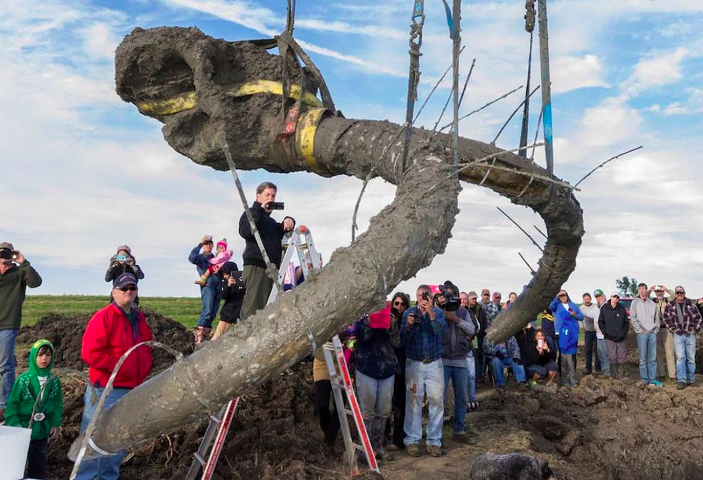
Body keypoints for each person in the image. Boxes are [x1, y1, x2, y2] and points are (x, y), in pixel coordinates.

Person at [76, 273, 153, 480]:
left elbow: (147, 345)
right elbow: (91, 352)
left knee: (118, 441)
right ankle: (86, 478)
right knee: (94, 440)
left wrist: (143, 366)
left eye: (132, 288)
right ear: (113, 292)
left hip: (132, 389)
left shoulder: (139, 318)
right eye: (123, 288)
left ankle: (108, 477)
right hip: (106, 390)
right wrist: (120, 367)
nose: (129, 291)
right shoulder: (104, 317)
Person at [5, 339, 62, 480]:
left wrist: (55, 423)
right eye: (40, 355)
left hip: (42, 432)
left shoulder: (54, 381)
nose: (44, 358)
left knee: (38, 464)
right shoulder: (24, 380)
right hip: (23, 432)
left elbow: (57, 404)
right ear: (33, 356)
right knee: (17, 466)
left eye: (48, 355)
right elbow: (12, 404)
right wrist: (15, 425)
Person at [401, 285, 446, 457]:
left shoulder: (437, 312)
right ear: (416, 296)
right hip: (415, 363)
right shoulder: (409, 314)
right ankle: (412, 440)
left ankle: (434, 441)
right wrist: (409, 326)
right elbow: (403, 339)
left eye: (425, 295)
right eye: (420, 295)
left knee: (436, 401)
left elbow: (440, 331)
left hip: (434, 363)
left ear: (431, 296)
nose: (422, 298)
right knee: (413, 402)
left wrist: (431, 313)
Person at [239, 182, 295, 321]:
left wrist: (289, 221)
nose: (271, 198)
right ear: (258, 197)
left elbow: (278, 231)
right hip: (257, 267)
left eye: (273, 196)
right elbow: (245, 231)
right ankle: (246, 339)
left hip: (271, 269)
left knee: (266, 308)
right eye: (267, 195)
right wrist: (260, 210)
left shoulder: (269, 222)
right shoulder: (250, 213)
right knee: (254, 310)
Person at [0, 242, 42, 414]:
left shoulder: (19, 272)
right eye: (2, 254)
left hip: (9, 324)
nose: (4, 257)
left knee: (5, 365)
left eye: (8, 254)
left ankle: (6, 404)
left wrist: (24, 262)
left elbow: (36, 282)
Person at [354, 307, 399, 462]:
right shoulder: (362, 316)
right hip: (367, 367)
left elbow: (397, 343)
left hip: (387, 368)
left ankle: (378, 448)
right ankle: (364, 451)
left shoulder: (390, 316)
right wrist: (370, 323)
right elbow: (363, 339)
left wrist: (392, 327)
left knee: (384, 411)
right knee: (367, 412)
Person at [439, 282, 477, 445]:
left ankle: (459, 430)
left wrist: (455, 319)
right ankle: (436, 433)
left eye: (452, 295)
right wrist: (440, 311)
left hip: (461, 359)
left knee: (462, 397)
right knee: (439, 398)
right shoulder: (438, 311)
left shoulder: (463, 312)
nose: (450, 298)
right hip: (443, 359)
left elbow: (472, 330)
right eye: (447, 295)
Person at [663, 286, 703, 390]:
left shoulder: (691, 305)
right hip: (678, 335)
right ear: (675, 294)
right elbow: (666, 319)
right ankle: (681, 380)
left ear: (684, 293)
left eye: (681, 293)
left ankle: (691, 379)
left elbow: (699, 318)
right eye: (678, 293)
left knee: (691, 358)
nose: (679, 295)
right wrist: (674, 329)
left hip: (690, 335)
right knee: (680, 358)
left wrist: (694, 330)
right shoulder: (670, 305)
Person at [386, 292, 410, 452]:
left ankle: (398, 438)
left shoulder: (408, 322)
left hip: (402, 367)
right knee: (386, 404)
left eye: (402, 304)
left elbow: (400, 344)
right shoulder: (387, 320)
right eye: (397, 303)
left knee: (399, 404)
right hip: (387, 366)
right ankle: (385, 434)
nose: (399, 307)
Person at [189, 236, 224, 344]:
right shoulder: (200, 257)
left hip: (218, 286)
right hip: (208, 285)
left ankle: (205, 336)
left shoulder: (215, 258)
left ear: (212, 245)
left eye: (210, 244)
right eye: (206, 244)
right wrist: (199, 244)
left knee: (213, 312)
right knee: (207, 310)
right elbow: (191, 258)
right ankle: (198, 336)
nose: (208, 246)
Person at [630, 283, 663, 387]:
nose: (642, 291)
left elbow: (657, 318)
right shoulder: (635, 302)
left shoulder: (652, 303)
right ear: (638, 290)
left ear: (646, 290)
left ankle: (652, 380)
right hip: (642, 334)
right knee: (643, 358)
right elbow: (632, 317)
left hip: (652, 333)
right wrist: (638, 330)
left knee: (652, 358)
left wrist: (656, 329)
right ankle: (645, 380)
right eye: (640, 289)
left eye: (644, 289)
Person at [549, 290, 583, 382]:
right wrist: (556, 297)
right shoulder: (556, 305)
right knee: (562, 355)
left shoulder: (573, 305)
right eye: (561, 296)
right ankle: (563, 376)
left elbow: (581, 317)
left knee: (572, 354)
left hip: (572, 332)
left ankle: (572, 376)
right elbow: (551, 307)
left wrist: (574, 315)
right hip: (560, 333)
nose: (563, 297)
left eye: (564, 295)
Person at [210, 262, 246, 341]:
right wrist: (228, 286)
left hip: (241, 313)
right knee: (217, 337)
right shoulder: (224, 282)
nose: (225, 276)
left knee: (242, 337)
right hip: (227, 313)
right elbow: (224, 296)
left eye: (226, 274)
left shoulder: (243, 279)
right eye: (223, 274)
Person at [598, 293, 629, 379]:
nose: (615, 299)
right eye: (614, 297)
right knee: (612, 357)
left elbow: (626, 322)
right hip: (609, 337)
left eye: (617, 297)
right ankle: (614, 376)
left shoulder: (622, 309)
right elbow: (601, 321)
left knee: (621, 357)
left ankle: (621, 376)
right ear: (611, 297)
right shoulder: (604, 308)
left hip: (620, 337)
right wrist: (605, 332)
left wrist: (624, 332)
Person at [463, 291, 484, 411]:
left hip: (469, 348)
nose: (463, 302)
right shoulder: (453, 313)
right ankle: (464, 400)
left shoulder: (470, 313)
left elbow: (477, 327)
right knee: (462, 377)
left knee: (471, 375)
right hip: (458, 351)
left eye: (465, 299)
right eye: (461, 299)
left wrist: (470, 334)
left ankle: (472, 399)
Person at [654, 285, 676, 382]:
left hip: (667, 330)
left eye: (661, 291)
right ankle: (661, 374)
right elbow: (638, 298)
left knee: (670, 352)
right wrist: (650, 290)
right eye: (657, 291)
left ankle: (672, 375)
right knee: (658, 353)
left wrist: (666, 289)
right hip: (656, 330)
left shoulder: (668, 301)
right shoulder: (652, 301)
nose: (659, 293)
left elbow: (675, 296)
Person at [479, 289, 500, 383]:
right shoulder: (478, 306)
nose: (486, 297)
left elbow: (498, 320)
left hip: (491, 335)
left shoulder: (494, 307)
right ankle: (481, 378)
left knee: (491, 355)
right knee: (481, 357)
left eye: (487, 295)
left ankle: (492, 377)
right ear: (481, 296)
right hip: (480, 334)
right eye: (484, 295)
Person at [589, 290, 610, 377]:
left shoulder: (608, 306)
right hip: (598, 335)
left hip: (606, 335)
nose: (599, 298)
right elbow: (587, 314)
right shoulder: (596, 308)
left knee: (606, 353)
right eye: (597, 297)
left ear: (604, 296)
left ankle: (608, 371)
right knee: (601, 354)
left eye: (600, 296)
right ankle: (605, 370)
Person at [579, 293, 601, 375]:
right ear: (583, 300)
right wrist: (581, 326)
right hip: (588, 331)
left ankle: (598, 368)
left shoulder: (595, 306)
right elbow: (580, 318)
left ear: (591, 299)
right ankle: (588, 368)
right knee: (588, 350)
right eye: (585, 299)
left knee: (597, 350)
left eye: (588, 299)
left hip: (596, 331)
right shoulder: (581, 307)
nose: (587, 301)